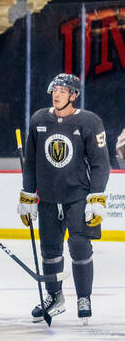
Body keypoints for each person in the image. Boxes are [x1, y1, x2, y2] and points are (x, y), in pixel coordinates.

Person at [21, 73, 111, 324]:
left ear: (73, 95)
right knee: (49, 250)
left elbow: (101, 164)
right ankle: (54, 296)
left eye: (63, 90)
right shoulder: (39, 118)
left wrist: (97, 197)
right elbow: (31, 163)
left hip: (78, 196)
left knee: (80, 246)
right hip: (48, 198)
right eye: (55, 89)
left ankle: (84, 297)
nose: (57, 94)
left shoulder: (89, 121)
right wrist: (28, 195)